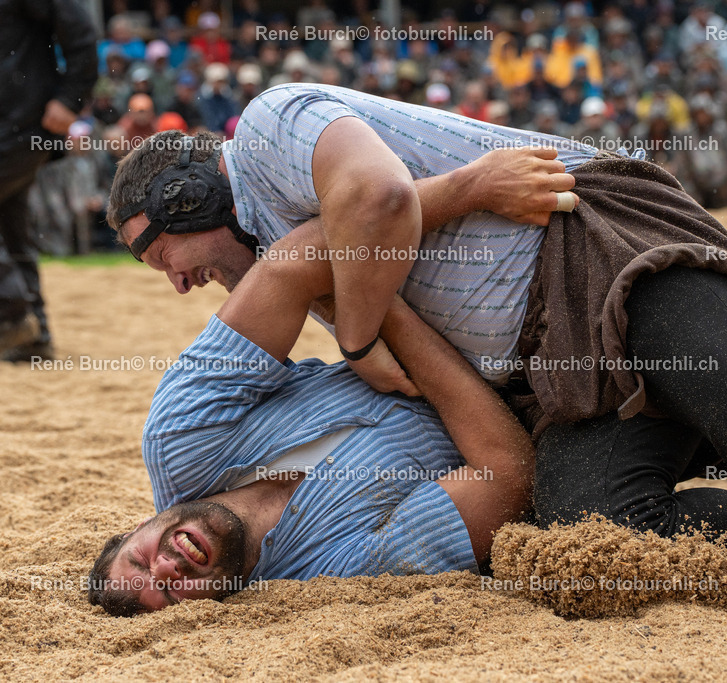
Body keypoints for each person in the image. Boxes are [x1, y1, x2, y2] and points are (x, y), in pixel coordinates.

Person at [107, 83, 727, 581]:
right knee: (594, 530)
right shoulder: (283, 251)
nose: (179, 281)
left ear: (185, 196)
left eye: (161, 255)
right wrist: (380, 309)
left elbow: (374, 201)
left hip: (601, 253)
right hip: (548, 373)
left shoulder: (271, 129)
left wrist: (361, 334)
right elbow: (322, 253)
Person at [86, 227, 534, 615]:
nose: (167, 567)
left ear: (136, 528)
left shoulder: (178, 436)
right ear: (206, 614)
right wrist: (377, 324)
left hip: (438, 277)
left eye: (140, 561)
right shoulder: (334, 576)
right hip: (534, 396)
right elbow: (510, 473)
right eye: (170, 592)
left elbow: (297, 259)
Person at [0, 0, 97, 361]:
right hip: (15, 123)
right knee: (11, 225)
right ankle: (31, 336)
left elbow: (81, 30)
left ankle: (10, 315)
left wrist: (71, 98)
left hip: (20, 123)